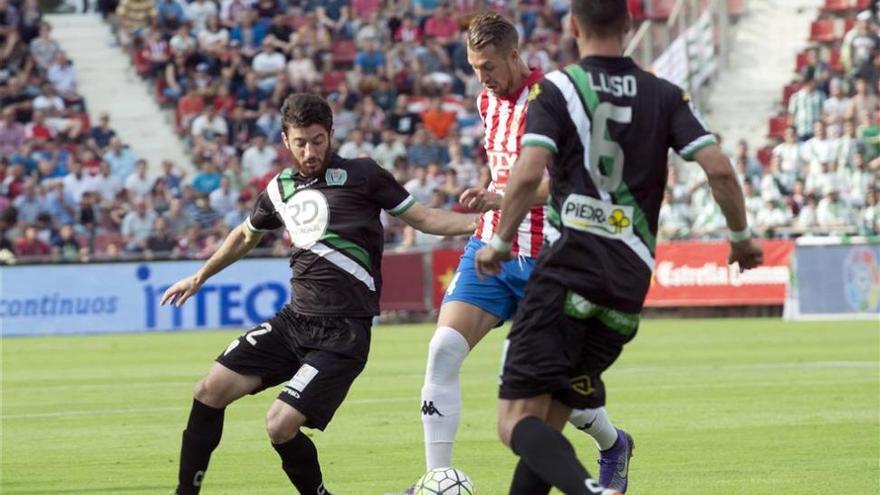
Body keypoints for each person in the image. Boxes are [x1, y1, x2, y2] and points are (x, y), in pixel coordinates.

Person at [474, 2, 763, 494]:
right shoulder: (665, 95)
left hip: (568, 269)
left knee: (513, 422)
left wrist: (500, 240)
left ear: (572, 26)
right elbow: (717, 167)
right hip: (626, 285)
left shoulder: (560, 89)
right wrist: (739, 238)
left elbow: (526, 173)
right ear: (629, 27)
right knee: (549, 424)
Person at [162, 93, 477, 495]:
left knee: (279, 425)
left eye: (317, 140)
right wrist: (199, 276)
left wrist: (484, 223)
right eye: (300, 142)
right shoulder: (280, 188)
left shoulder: (364, 175)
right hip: (293, 322)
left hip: (342, 334)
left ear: (330, 135)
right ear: (285, 140)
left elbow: (425, 217)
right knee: (209, 390)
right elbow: (245, 235)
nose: (309, 151)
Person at [399, 10, 631, 495]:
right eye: (474, 67)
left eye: (488, 66)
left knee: (555, 393)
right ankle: (435, 478)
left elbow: (571, 182)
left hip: (548, 260)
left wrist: (502, 197)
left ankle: (613, 444)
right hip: (491, 248)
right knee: (442, 350)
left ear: (514, 55)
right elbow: (502, 165)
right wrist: (486, 191)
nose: (482, 77)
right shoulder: (487, 101)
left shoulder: (556, 99)